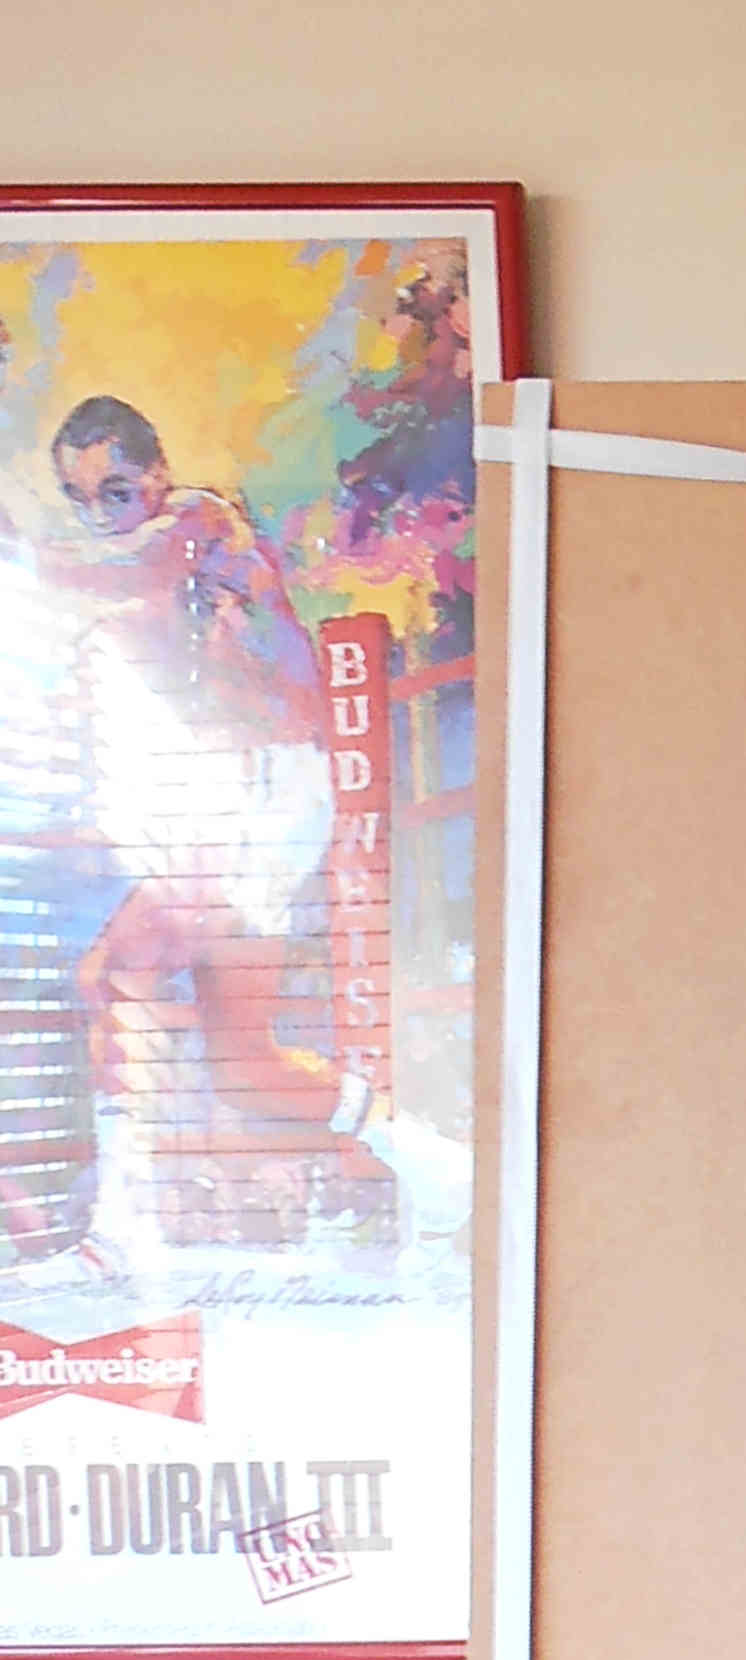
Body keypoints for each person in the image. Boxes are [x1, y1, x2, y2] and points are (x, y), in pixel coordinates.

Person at [44, 397, 384, 1243]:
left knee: (117, 969)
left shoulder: (199, 522)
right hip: (244, 791)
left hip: (269, 786)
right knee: (245, 1062)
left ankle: (117, 1229)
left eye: (115, 490)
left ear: (158, 473)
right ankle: (430, 1162)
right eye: (79, 498)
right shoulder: (147, 583)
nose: (99, 514)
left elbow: (118, 573)